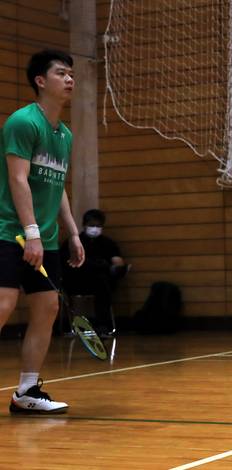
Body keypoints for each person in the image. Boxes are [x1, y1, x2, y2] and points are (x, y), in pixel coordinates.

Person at [0, 49, 84, 414]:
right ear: (40, 81)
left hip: (45, 238)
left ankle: (27, 391)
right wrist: (30, 232)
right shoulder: (23, 122)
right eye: (61, 73)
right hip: (9, 232)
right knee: (2, 305)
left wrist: (74, 232)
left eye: (71, 74)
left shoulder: (64, 134)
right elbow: (18, 180)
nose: (70, 80)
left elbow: (57, 186)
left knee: (47, 308)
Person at [61, 208, 128, 334]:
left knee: (102, 279)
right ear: (84, 225)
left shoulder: (108, 244)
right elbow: (66, 264)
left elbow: (117, 261)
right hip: (76, 281)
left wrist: (117, 268)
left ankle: (102, 324)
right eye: (92, 225)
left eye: (98, 225)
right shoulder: (73, 243)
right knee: (97, 270)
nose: (95, 228)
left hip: (101, 284)